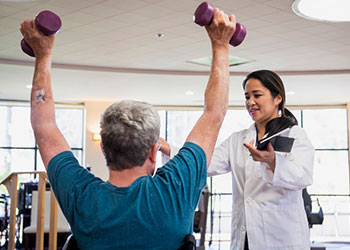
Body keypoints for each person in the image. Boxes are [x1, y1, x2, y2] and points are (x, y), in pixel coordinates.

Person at [20, 8, 236, 249]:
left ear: (104, 149)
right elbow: (214, 113)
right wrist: (221, 46)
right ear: (154, 153)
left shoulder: (83, 198)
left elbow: (44, 126)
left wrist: (42, 54)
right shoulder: (175, 190)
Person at [160, 70, 314, 250]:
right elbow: (208, 161)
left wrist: (273, 161)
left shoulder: (295, 135)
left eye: (257, 95)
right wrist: (169, 149)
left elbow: (303, 176)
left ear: (277, 98)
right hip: (245, 236)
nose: (250, 102)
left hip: (281, 237)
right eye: (247, 97)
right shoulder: (238, 139)